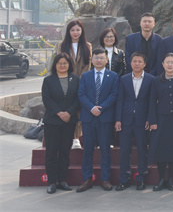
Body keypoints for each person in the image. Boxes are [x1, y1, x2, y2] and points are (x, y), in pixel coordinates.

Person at [76, 48, 119, 192]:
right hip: (88, 118)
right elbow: (81, 94)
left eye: (101, 58)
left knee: (105, 150)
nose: (99, 60)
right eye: (96, 58)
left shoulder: (113, 76)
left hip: (105, 118)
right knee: (88, 150)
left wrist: (101, 108)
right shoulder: (85, 76)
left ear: (106, 60)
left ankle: (105, 179)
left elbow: (114, 94)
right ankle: (86, 179)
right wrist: (91, 108)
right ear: (92, 60)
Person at [148, 53, 173, 192]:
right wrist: (153, 120)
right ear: (163, 64)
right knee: (161, 149)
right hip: (161, 119)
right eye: (167, 62)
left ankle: (171, 178)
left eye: (172, 62)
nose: (170, 65)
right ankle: (161, 179)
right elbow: (152, 102)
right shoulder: (156, 80)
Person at [114, 52, 155, 191]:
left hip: (142, 121)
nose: (137, 64)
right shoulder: (124, 79)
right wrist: (118, 119)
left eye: (139, 61)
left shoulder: (151, 79)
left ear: (144, 64)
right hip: (126, 120)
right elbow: (120, 100)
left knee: (142, 150)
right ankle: (124, 180)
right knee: (125, 151)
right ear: (130, 63)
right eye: (134, 61)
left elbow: (152, 102)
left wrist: (149, 118)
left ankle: (141, 179)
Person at [41, 53, 80, 194]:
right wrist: (59, 112)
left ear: (69, 65)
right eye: (60, 63)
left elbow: (78, 99)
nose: (62, 65)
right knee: (51, 152)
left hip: (69, 121)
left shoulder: (75, 79)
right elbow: (46, 99)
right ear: (55, 65)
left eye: (65, 63)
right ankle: (52, 182)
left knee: (65, 151)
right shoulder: (48, 80)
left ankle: (62, 180)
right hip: (52, 121)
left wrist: (69, 113)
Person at [56, 20, 92, 149]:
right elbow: (60, 62)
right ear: (68, 31)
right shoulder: (62, 45)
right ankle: (69, 137)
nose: (75, 33)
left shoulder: (87, 46)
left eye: (78, 30)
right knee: (68, 108)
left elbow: (88, 64)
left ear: (82, 31)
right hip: (66, 80)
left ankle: (77, 137)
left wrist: (80, 81)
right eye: (72, 30)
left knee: (79, 109)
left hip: (82, 82)